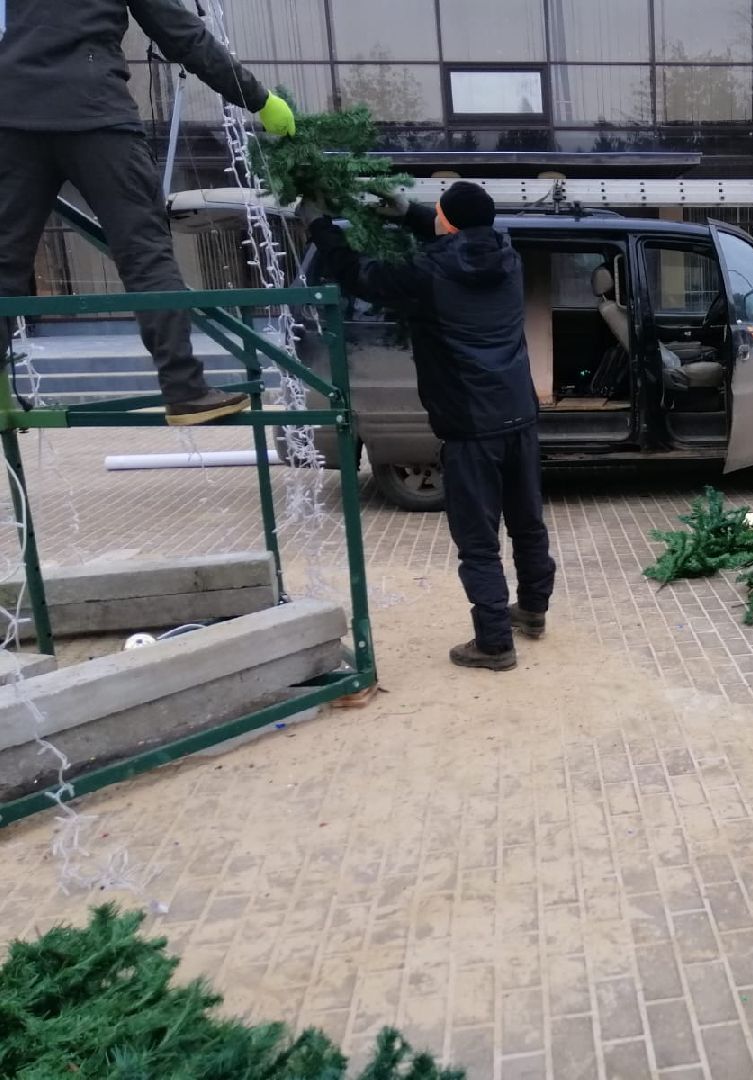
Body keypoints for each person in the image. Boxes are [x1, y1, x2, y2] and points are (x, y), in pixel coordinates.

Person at [0, 0, 297, 425]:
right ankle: (185, 389)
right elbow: (182, 35)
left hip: (12, 119)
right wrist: (259, 99)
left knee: (4, 260)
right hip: (95, 115)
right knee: (145, 253)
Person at [301, 182, 556, 671]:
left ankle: (494, 644)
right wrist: (412, 213)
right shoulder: (508, 256)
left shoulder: (426, 271)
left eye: (437, 214)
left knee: (477, 540)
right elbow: (464, 236)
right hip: (519, 415)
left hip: (469, 425)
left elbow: (359, 275)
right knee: (527, 523)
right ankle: (533, 610)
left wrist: (319, 227)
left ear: (447, 222)